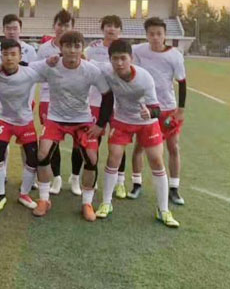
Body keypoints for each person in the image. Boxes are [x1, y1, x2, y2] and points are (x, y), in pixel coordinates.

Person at [93, 39, 180, 228]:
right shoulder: (106, 71)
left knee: (156, 160)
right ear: (110, 59)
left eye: (123, 58)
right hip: (122, 120)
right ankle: (106, 203)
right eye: (115, 59)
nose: (119, 63)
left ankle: (163, 210)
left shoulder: (144, 78)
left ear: (131, 58)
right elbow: (85, 62)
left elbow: (156, 109)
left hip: (146, 122)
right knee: (113, 157)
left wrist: (149, 113)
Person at [30, 31, 110, 222]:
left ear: (82, 48)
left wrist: (101, 124)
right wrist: (46, 61)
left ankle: (87, 203)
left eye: (76, 46)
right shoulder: (51, 65)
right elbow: (25, 68)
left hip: (82, 119)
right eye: (68, 46)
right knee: (42, 155)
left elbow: (108, 95)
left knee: (91, 159)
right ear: (61, 47)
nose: (72, 50)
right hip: (55, 118)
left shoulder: (90, 70)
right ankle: (44, 199)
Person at [130, 17, 187, 204]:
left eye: (159, 34)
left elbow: (182, 82)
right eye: (151, 34)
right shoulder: (138, 50)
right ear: (146, 35)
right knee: (139, 146)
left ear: (165, 35)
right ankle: (136, 184)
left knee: (173, 147)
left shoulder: (175, 55)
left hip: (168, 109)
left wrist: (180, 109)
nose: (155, 37)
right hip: (147, 108)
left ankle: (174, 188)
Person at [0, 38, 42, 211]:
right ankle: (0, 195)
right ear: (1, 56)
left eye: (13, 54)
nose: (9, 58)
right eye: (6, 54)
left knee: (32, 158)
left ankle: (24, 194)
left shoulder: (30, 72)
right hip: (5, 121)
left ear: (20, 56)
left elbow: (48, 68)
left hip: (25, 122)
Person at [68, 15, 124, 197]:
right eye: (108, 25)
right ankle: (75, 177)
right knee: (87, 142)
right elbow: (80, 65)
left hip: (118, 105)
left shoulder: (124, 49)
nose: (111, 29)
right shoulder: (92, 49)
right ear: (102, 29)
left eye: (115, 26)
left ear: (120, 30)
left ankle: (120, 182)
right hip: (94, 103)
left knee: (118, 143)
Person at [0, 14, 38, 187]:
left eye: (15, 28)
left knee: (27, 143)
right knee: (1, 141)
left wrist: (30, 100)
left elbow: (33, 75)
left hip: (25, 103)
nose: (12, 31)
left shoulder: (30, 50)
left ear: (20, 30)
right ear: (3, 30)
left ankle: (30, 178)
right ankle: (2, 174)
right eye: (8, 28)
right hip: (2, 104)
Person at [36, 9, 75, 195]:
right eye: (60, 24)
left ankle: (75, 177)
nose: (63, 28)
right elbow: (36, 72)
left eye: (67, 25)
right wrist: (48, 65)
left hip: (73, 100)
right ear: (54, 26)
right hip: (48, 98)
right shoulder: (44, 49)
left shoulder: (77, 47)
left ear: (72, 27)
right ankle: (57, 177)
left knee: (79, 140)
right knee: (52, 141)